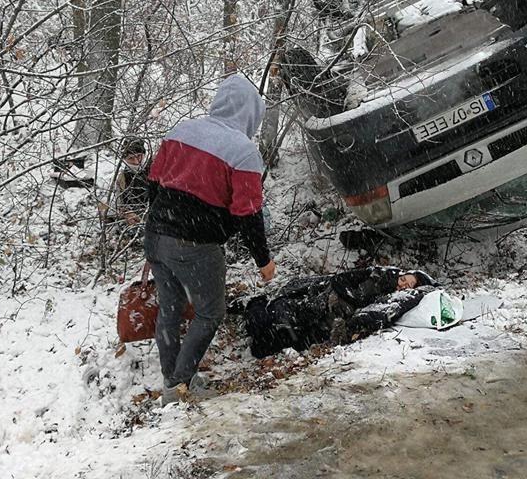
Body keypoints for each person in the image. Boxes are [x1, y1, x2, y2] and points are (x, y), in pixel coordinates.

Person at [143, 75, 277, 406]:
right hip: (196, 244)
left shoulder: (181, 130)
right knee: (210, 312)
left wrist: (161, 227)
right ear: (250, 113)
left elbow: (153, 185)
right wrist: (264, 260)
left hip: (157, 234)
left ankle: (171, 379)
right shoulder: (243, 152)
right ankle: (179, 385)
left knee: (170, 309)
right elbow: (248, 214)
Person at [243, 266, 435, 358]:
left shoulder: (391, 300)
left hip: (331, 318)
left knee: (291, 335)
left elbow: (370, 315)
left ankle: (260, 333)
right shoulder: (377, 273)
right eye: (404, 280)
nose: (402, 286)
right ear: (402, 274)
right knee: (286, 312)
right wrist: (350, 297)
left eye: (407, 287)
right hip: (325, 298)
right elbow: (341, 279)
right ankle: (254, 311)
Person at [115, 136, 153, 227]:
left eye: (139, 156)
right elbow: (121, 203)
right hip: (137, 220)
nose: (136, 161)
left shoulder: (156, 168)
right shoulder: (122, 178)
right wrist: (128, 213)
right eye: (131, 158)